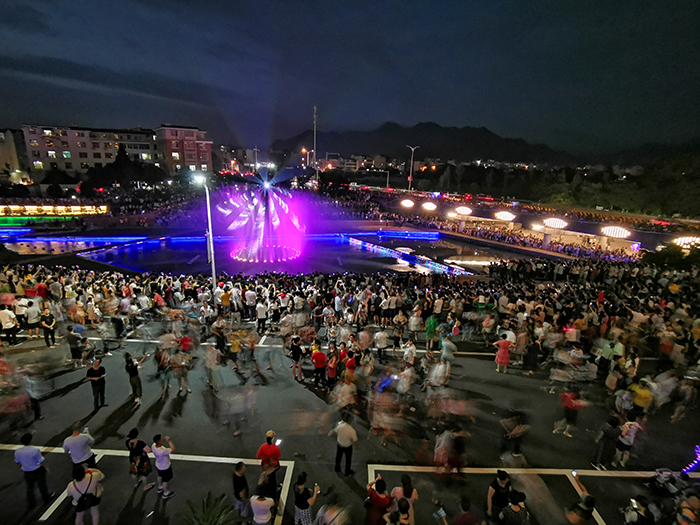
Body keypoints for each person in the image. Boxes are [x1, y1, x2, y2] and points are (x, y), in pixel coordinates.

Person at [15, 433, 54, 509]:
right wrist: (46, 468)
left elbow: (17, 461)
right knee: (42, 485)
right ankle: (46, 498)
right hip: (37, 470)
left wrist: (22, 467)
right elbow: (40, 460)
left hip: (27, 471)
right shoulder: (35, 450)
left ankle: (31, 503)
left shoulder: (18, 451)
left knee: (30, 487)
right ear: (30, 440)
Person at [329, 411, 358, 477]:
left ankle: (337, 468)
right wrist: (355, 444)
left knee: (338, 457)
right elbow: (354, 441)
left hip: (339, 444)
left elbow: (336, 434)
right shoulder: (351, 430)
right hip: (347, 446)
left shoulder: (339, 425)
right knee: (348, 459)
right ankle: (347, 471)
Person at [151, 434, 176, 499]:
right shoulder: (162, 451)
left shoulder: (153, 446)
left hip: (159, 465)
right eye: (161, 438)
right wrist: (169, 441)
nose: (163, 438)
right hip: (165, 466)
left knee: (160, 476)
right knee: (165, 480)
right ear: (159, 442)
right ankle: (165, 493)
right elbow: (172, 449)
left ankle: (160, 487)